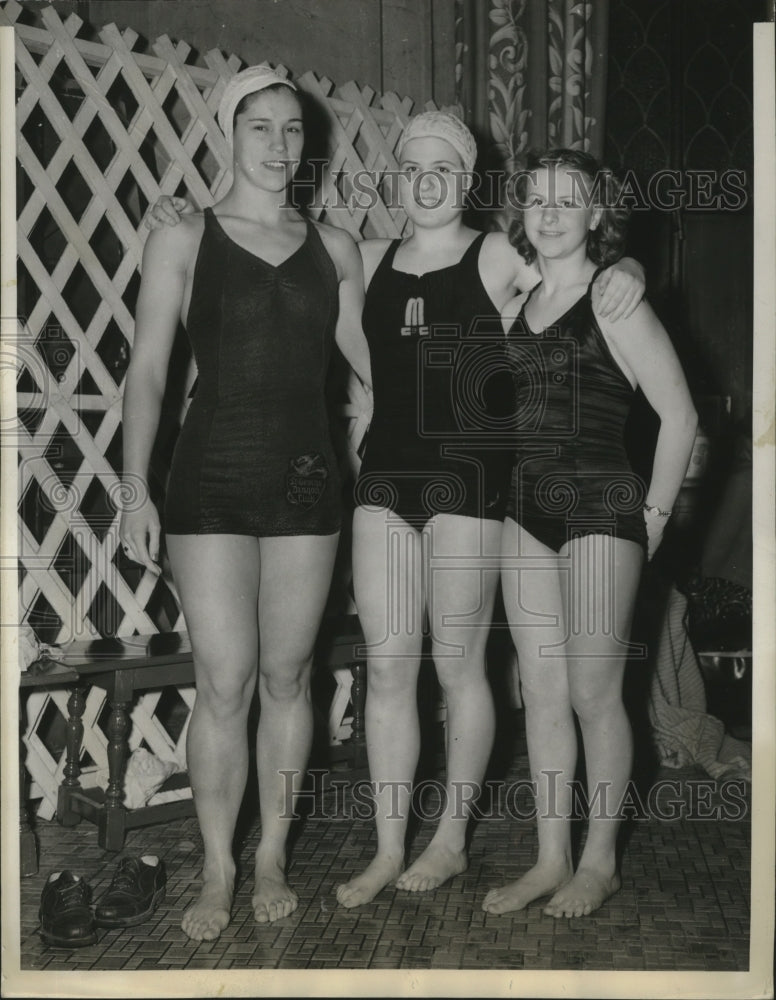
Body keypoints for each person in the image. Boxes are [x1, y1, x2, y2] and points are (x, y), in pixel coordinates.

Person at [147, 112, 646, 909]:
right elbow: (278, 254)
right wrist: (173, 210)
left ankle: (448, 839)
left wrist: (632, 273)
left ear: (470, 178)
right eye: (411, 166)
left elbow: (573, 267)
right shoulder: (363, 257)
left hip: (472, 483)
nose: (426, 179)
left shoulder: (496, 257)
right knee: (387, 668)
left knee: (457, 668)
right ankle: (385, 848)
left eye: (444, 166)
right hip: (385, 482)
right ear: (396, 177)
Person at [120, 66, 370, 942]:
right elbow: (148, 371)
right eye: (259, 127)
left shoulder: (336, 249)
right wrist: (131, 485)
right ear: (227, 134)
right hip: (211, 480)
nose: (278, 145)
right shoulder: (182, 238)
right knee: (223, 682)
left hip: (309, 488)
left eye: (293, 129)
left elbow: (377, 369)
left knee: (289, 677)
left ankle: (271, 857)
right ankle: (220, 864)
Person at [482, 148, 697, 918]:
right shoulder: (514, 295)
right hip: (523, 510)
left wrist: (656, 516)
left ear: (598, 216)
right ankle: (550, 857)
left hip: (603, 509)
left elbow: (681, 416)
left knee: (593, 694)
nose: (547, 212)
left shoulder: (618, 300)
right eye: (535, 199)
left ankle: (599, 861)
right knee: (538, 696)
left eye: (567, 201)